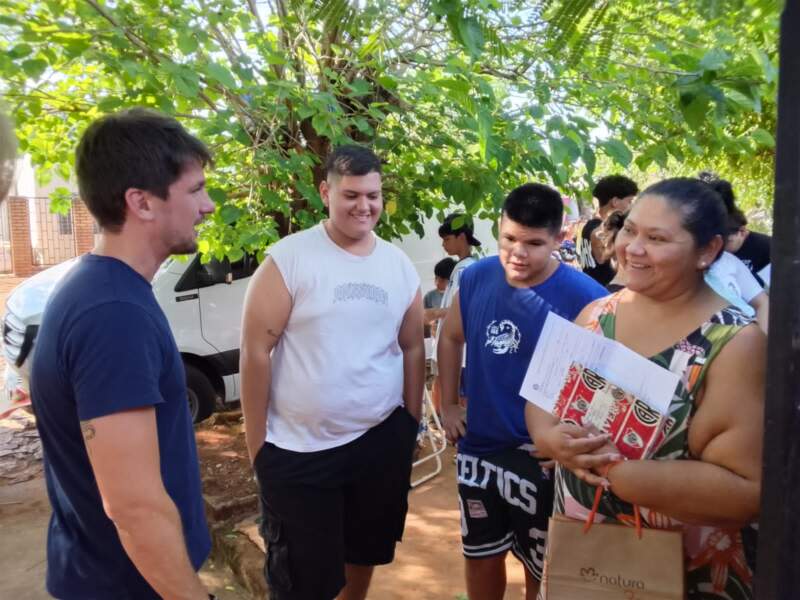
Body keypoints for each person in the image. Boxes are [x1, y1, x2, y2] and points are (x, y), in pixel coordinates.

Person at [526, 178, 765, 599]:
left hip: (685, 570)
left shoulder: (735, 345)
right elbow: (542, 401)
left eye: (656, 238)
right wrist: (549, 436)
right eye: (630, 229)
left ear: (707, 251)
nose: (633, 248)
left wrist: (614, 472)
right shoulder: (597, 313)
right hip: (583, 555)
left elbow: (745, 491)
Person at [29, 109, 216, 599]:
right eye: (195, 190)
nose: (209, 205)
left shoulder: (104, 291)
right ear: (142, 202)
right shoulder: (113, 314)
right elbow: (134, 506)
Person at [240, 144, 424, 600]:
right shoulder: (289, 259)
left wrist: (411, 424)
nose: (364, 206)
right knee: (303, 579)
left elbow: (413, 346)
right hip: (299, 452)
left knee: (365, 553)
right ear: (326, 191)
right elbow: (255, 351)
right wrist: (257, 444)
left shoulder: (398, 266)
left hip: (380, 441)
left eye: (373, 196)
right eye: (351, 195)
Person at [438, 183, 607, 600]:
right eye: (509, 239)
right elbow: (450, 337)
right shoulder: (476, 277)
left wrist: (565, 443)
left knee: (542, 566)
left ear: (559, 238)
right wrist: (447, 404)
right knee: (479, 555)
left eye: (534, 243)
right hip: (479, 446)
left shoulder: (589, 299)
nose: (518, 252)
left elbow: (605, 384)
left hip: (542, 458)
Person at [701, 174, 772, 286]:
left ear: (742, 232)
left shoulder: (767, 248)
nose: (720, 247)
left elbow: (779, 290)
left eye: (726, 242)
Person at [578, 175, 639, 285]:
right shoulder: (599, 229)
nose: (632, 206)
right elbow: (601, 255)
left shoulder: (588, 226)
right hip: (605, 292)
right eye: (629, 201)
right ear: (615, 201)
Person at [423, 256, 456, 336]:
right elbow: (423, 319)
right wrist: (430, 325)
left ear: (451, 280)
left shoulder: (456, 296)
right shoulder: (429, 296)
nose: (437, 282)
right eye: (436, 278)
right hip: (435, 337)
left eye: (441, 280)